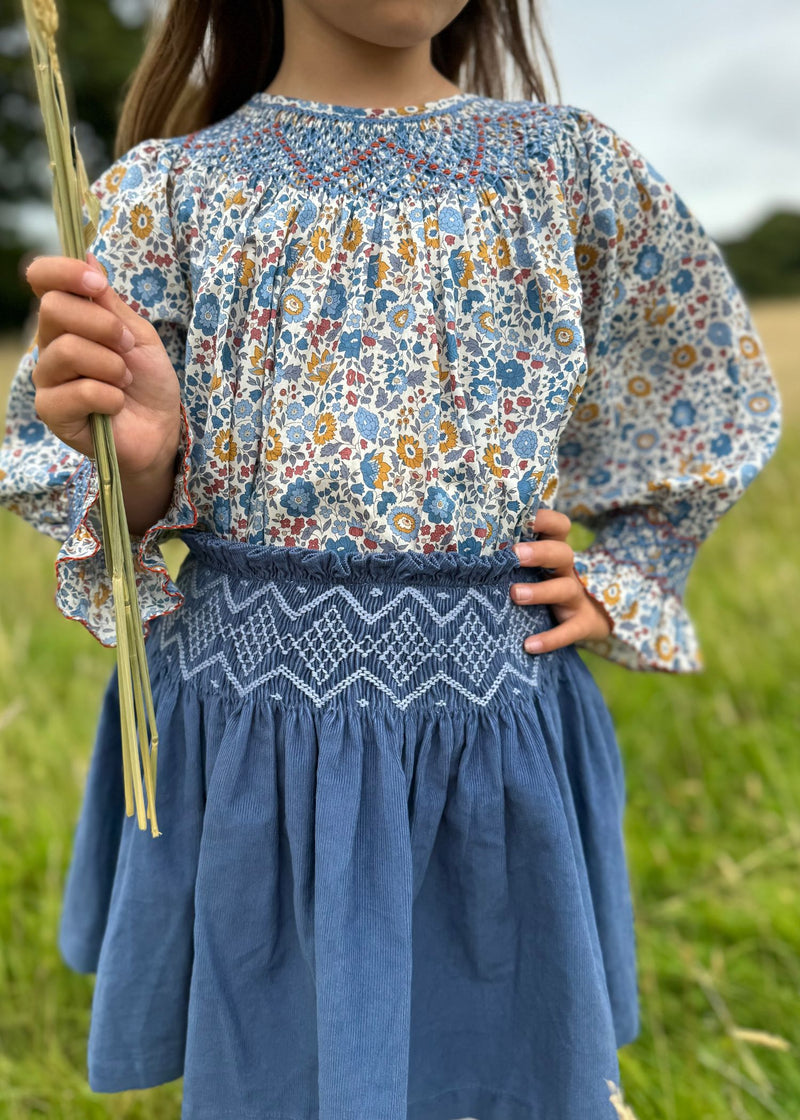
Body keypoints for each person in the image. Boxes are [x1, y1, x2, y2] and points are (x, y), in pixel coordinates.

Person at [0, 0, 782, 1117]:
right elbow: (112, 517)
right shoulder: (167, 193)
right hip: (254, 755)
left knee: (504, 1075)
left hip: (486, 749)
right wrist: (143, 460)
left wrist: (626, 575)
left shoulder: (563, 171)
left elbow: (706, 396)